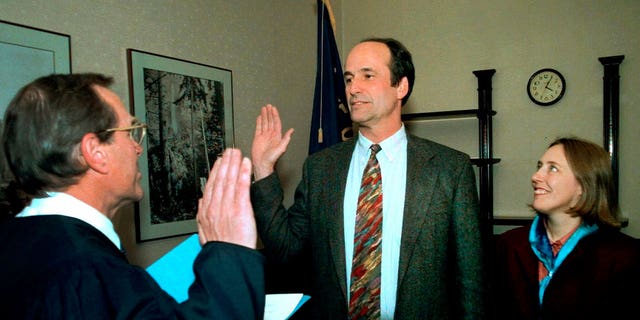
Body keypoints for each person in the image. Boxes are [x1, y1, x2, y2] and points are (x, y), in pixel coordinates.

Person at [251, 37, 486, 319]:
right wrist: (263, 169)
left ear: (401, 86)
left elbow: (471, 280)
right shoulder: (321, 168)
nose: (353, 89)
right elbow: (285, 251)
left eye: (368, 75)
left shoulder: (450, 169)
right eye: (349, 78)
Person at [0, 73, 265, 319]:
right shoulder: (87, 271)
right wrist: (230, 250)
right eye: (129, 133)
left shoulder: (16, 242)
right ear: (95, 152)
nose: (138, 148)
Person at [492, 137, 640, 319]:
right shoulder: (509, 245)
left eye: (553, 168)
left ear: (584, 185)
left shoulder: (624, 257)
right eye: (539, 166)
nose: (536, 176)